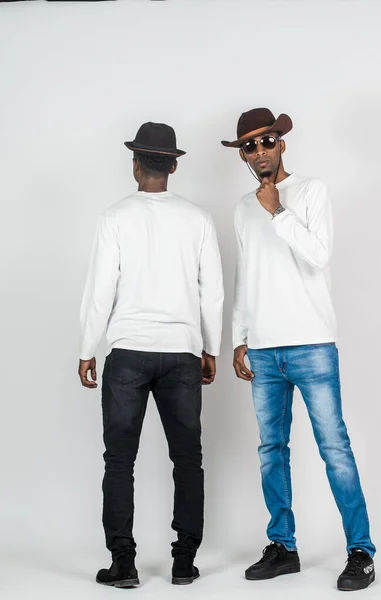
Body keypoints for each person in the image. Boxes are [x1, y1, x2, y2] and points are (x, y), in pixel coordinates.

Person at [222, 108, 375, 591]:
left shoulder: (310, 191)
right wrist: (239, 337)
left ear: (282, 143)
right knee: (272, 450)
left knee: (335, 448)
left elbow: (319, 254)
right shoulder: (243, 208)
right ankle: (283, 546)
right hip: (264, 349)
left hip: (310, 342)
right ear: (244, 155)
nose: (259, 151)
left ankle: (361, 551)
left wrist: (278, 210)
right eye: (249, 145)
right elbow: (247, 274)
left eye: (267, 141)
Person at [79, 122, 224, 588]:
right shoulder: (198, 219)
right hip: (182, 353)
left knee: (120, 460)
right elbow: (213, 294)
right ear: (174, 165)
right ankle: (184, 561)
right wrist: (211, 348)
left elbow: (101, 292)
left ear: (135, 164)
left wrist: (87, 349)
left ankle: (123, 563)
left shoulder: (115, 217)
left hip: (127, 353)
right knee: (188, 459)